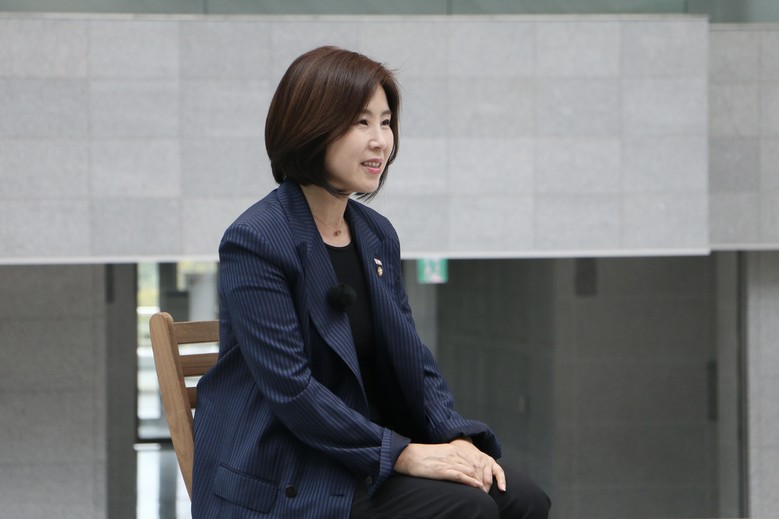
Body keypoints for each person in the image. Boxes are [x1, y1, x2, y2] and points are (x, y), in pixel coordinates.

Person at [192, 45, 550, 519]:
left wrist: (455, 438)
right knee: (469, 510)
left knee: (524, 500)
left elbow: (413, 359)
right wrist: (403, 454)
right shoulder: (256, 239)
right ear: (310, 127)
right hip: (288, 472)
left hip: (360, 458)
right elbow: (292, 391)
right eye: (361, 123)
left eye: (386, 122)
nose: (381, 141)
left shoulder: (376, 235)